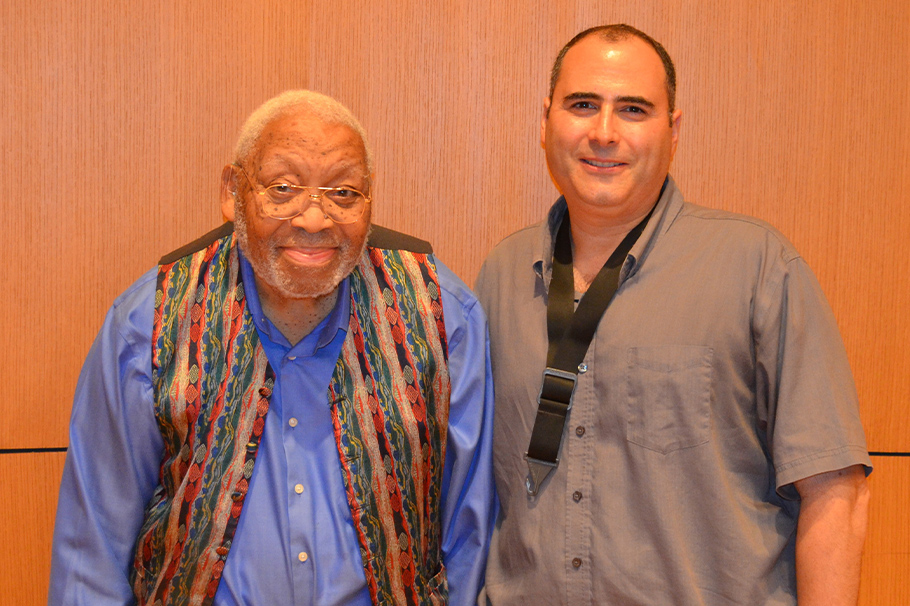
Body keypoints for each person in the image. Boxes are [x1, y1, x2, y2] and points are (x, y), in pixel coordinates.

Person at [49, 90, 495, 606]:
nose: (313, 219)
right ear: (232, 191)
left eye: (343, 193)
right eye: (282, 188)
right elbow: (92, 551)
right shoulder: (149, 322)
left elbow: (471, 532)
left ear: (370, 199)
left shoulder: (441, 313)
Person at [476, 24, 870, 605]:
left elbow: (835, 490)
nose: (604, 133)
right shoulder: (500, 275)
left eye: (633, 109)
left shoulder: (758, 268)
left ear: (673, 130)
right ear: (546, 120)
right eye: (583, 105)